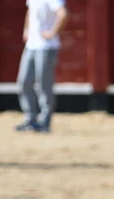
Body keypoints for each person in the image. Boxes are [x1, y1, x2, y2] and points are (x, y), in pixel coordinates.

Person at [15, 0, 68, 133]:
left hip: (46, 46)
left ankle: (45, 121)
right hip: (31, 45)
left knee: (44, 84)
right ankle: (30, 119)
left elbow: (63, 14)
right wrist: (26, 29)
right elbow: (30, 11)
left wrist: (52, 32)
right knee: (24, 81)